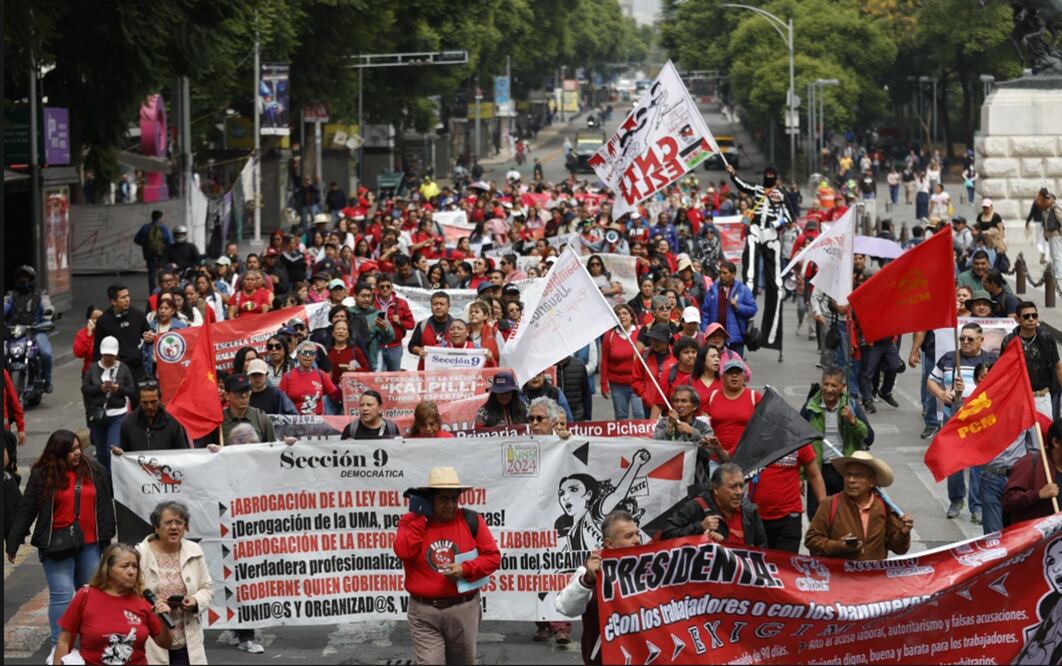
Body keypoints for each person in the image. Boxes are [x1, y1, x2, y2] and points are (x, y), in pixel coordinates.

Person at [6, 430, 115, 652]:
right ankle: (60, 648)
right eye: (71, 450)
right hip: (56, 544)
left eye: (78, 449)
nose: (77, 453)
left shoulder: (95, 471)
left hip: (90, 543)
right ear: (58, 452)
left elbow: (108, 502)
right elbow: (27, 509)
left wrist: (108, 535)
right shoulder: (42, 474)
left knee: (88, 596)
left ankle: (89, 645)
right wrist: (14, 542)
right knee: (62, 594)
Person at [395, 466, 501, 665]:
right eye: (444, 499)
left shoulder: (471, 520)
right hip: (424, 612)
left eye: (454, 499)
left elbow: (492, 557)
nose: (450, 505)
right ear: (429, 499)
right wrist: (419, 516)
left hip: (463, 609)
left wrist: (465, 569)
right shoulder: (410, 521)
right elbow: (404, 551)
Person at [53, 542, 173, 665]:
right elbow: (64, 641)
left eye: (135, 566)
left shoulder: (144, 601)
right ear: (108, 569)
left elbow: (165, 643)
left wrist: (164, 623)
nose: (131, 572)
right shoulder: (85, 596)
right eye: (125, 566)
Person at [928, 322, 998, 523]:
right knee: (954, 460)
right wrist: (943, 393)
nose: (965, 342)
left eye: (970, 339)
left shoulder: (991, 360)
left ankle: (977, 505)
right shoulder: (950, 358)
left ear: (981, 340)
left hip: (979, 418)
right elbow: (931, 381)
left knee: (978, 462)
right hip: (954, 415)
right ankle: (956, 500)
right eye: (962, 339)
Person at [554, 510, 642, 665]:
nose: (636, 540)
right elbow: (565, 607)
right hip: (604, 657)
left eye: (637, 534)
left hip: (643, 653)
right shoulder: (591, 569)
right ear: (609, 543)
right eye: (628, 536)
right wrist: (588, 580)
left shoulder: (650, 564)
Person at [136, 501, 214, 664]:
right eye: (168, 522)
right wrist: (154, 605)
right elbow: (130, 596)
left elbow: (207, 588)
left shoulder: (195, 550)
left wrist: (195, 601)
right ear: (156, 526)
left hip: (187, 642)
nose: (174, 527)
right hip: (152, 642)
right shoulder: (139, 554)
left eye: (179, 522)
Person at [805, 451, 914, 561]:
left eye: (858, 476)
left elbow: (899, 549)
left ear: (871, 481)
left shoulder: (883, 506)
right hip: (841, 575)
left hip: (873, 575)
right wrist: (838, 546)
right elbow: (811, 540)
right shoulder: (830, 504)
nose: (851, 480)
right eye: (848, 475)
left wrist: (903, 534)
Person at [800, 366, 874, 519]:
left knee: (845, 517)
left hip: (844, 471)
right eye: (826, 384)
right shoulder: (810, 408)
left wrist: (853, 422)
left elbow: (868, 437)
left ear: (843, 388)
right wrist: (800, 476)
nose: (829, 389)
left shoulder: (851, 406)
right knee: (818, 518)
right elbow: (799, 442)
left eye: (834, 385)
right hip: (817, 472)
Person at [661, 463, 767, 547]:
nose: (739, 492)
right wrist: (700, 527)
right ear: (716, 489)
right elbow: (667, 536)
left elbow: (763, 550)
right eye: (733, 487)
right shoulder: (695, 507)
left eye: (741, 486)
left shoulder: (750, 511)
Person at [82, 336, 137, 473]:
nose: (108, 358)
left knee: (112, 449)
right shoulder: (92, 368)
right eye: (106, 355)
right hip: (98, 415)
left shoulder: (123, 369)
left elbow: (132, 390)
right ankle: (105, 479)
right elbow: (85, 389)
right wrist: (99, 389)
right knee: (101, 454)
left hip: (117, 414)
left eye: (111, 355)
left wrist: (119, 389)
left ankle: (116, 479)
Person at [653, 386, 724, 484]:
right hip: (668, 481)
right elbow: (655, 448)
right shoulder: (663, 424)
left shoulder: (703, 427)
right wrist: (669, 428)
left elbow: (707, 452)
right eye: (676, 401)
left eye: (684, 401)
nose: (679, 405)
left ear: (694, 406)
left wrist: (693, 433)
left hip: (696, 482)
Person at [1003, 301, 1062, 419]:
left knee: (1045, 434)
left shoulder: (1046, 337)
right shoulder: (1009, 341)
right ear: (1017, 319)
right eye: (1026, 316)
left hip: (1043, 397)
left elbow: (1057, 366)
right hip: (1019, 398)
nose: (1031, 319)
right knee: (1020, 436)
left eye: (1034, 316)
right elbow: (1004, 371)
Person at [4, 265, 56, 392]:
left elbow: (48, 307)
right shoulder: (11, 297)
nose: (23, 280)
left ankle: (47, 381)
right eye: (21, 277)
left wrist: (48, 312)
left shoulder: (40, 295)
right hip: (15, 333)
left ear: (31, 279)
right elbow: (5, 308)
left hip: (36, 331)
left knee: (46, 353)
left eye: (26, 277)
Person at [1003, 419, 1062, 524]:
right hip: (1036, 536)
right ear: (1056, 442)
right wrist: (1038, 495)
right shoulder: (1031, 462)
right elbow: (1009, 500)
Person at [94, 284, 152, 381]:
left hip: (136, 366)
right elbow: (98, 349)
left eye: (128, 296)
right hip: (115, 368)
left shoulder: (138, 315)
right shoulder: (103, 321)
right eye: (123, 297)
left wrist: (149, 339)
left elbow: (149, 335)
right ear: (113, 301)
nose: (127, 299)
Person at [699, 261, 757, 356]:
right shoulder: (712, 290)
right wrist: (705, 331)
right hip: (715, 338)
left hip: (735, 339)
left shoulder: (742, 290)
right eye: (720, 273)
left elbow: (753, 309)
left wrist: (738, 307)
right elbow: (705, 313)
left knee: (734, 367)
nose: (721, 276)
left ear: (733, 274)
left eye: (725, 273)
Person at [704, 358, 760, 456]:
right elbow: (703, 425)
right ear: (723, 377)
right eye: (730, 373)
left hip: (745, 456)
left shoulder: (754, 397)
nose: (734, 375)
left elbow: (762, 427)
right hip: (715, 456)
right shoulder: (712, 396)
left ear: (743, 377)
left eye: (738, 373)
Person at [115, 383, 189, 456]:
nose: (149, 407)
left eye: (153, 402)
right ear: (139, 401)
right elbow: (124, 451)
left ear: (160, 400)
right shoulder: (128, 424)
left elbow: (182, 453)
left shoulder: (173, 424)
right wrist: (120, 453)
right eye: (145, 403)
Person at [600, 304, 645, 420]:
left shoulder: (641, 332)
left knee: (640, 415)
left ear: (631, 316)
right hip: (618, 385)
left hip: (638, 382)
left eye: (625, 313)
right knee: (621, 417)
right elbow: (604, 360)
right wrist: (604, 384)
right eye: (618, 314)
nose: (622, 317)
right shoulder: (609, 336)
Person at [205, 374, 277, 446]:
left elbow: (273, 448)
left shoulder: (261, 418)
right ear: (227, 395)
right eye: (239, 392)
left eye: (247, 392)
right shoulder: (219, 421)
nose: (244, 396)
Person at [280, 340, 342, 416]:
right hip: (295, 422)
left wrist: (344, 386)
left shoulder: (321, 374)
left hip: (316, 423)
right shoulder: (287, 377)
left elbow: (335, 395)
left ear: (315, 356)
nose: (308, 356)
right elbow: (279, 401)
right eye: (304, 353)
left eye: (311, 353)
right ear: (297, 355)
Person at [632, 323, 675, 419]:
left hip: (671, 407)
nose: (654, 342)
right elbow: (636, 380)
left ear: (667, 341)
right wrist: (645, 397)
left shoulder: (676, 355)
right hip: (649, 405)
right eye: (653, 339)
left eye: (658, 340)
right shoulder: (644, 354)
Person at [376, 274, 416, 371]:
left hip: (395, 347)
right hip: (377, 347)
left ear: (392, 287)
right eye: (382, 287)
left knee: (394, 379)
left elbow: (411, 324)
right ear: (377, 288)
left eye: (388, 286)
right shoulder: (372, 303)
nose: (385, 289)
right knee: (378, 379)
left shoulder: (402, 303)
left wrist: (400, 322)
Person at [134, 209, 174, 293]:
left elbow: (136, 240)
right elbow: (169, 241)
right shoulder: (163, 228)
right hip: (162, 254)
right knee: (163, 272)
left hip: (149, 255)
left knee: (152, 274)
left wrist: (145, 244)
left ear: (152, 217)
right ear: (160, 218)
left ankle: (153, 293)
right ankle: (164, 290)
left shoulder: (145, 227)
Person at [73, 305, 104, 376]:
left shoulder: (108, 332)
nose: (99, 320)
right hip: (89, 372)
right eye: (95, 318)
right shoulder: (82, 333)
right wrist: (89, 335)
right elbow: (79, 353)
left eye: (101, 317)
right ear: (89, 320)